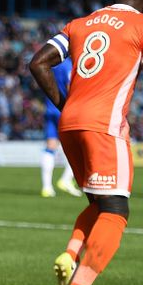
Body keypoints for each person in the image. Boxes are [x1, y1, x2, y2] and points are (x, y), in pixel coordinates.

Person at [29, 0, 143, 285]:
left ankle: (70, 254)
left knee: (98, 203)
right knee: (116, 210)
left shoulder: (80, 23)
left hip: (70, 124)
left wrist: (66, 105)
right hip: (104, 126)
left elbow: (37, 63)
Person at [40, 58, 82, 198]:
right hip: (65, 110)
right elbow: (71, 88)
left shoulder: (51, 63)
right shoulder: (68, 65)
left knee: (50, 146)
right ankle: (66, 179)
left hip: (50, 108)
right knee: (79, 147)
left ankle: (47, 187)